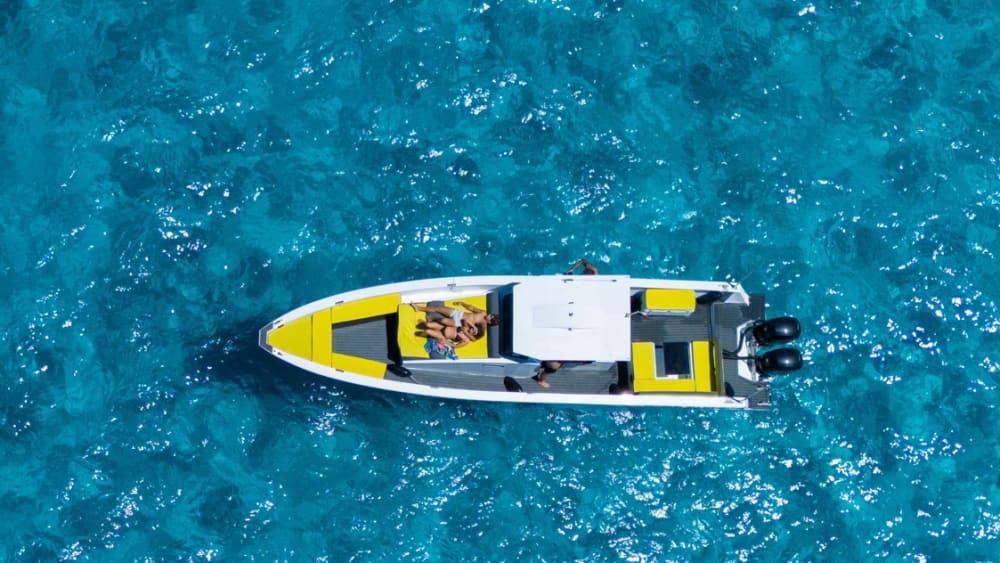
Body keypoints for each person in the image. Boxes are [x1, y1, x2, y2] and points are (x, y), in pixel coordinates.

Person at [411, 301, 498, 340]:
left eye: (491, 317)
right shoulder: (484, 313)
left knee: (443, 321)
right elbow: (473, 308)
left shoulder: (483, 327)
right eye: (491, 315)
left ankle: (430, 323)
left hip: (459, 323)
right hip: (459, 314)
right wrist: (463, 303)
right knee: (439, 308)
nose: (490, 315)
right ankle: (419, 308)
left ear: (490, 322)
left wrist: (465, 331)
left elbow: (474, 338)